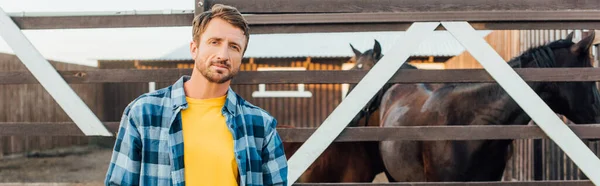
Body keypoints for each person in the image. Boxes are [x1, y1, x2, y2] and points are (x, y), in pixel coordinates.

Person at [104, 4, 288, 186]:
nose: (223, 54)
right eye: (214, 42)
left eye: (234, 47)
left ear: (241, 57)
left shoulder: (260, 125)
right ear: (194, 49)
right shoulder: (143, 113)